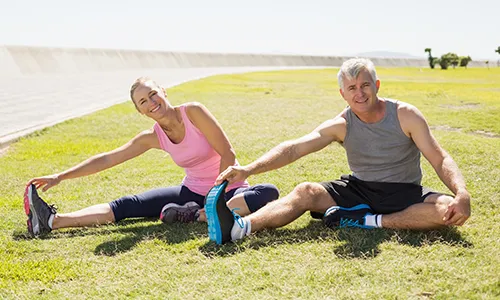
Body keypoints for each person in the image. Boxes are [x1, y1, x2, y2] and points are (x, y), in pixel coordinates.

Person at [207, 58, 471, 244]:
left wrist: (461, 192)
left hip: (404, 191)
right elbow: (294, 149)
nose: (360, 93)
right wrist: (248, 169)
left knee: (446, 209)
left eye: (365, 85)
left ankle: (366, 220)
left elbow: (439, 157)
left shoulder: (406, 115)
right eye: (352, 88)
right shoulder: (341, 124)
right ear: (343, 93)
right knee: (305, 191)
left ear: (377, 86)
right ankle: (241, 228)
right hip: (356, 190)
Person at [24, 77, 279, 236]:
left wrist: (216, 198)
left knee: (268, 192)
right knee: (126, 205)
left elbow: (228, 152)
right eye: (143, 102)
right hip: (189, 193)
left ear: (164, 91)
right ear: (140, 111)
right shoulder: (152, 136)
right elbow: (108, 159)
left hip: (229, 192)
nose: (151, 102)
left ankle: (197, 215)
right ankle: (52, 221)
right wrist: (60, 176)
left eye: (153, 94)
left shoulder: (193, 112)